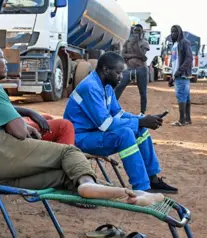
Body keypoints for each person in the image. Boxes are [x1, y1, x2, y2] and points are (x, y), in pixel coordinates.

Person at [0, 42, 165, 206]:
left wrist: (139, 121)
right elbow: (18, 132)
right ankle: (98, 186)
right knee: (68, 153)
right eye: (1, 58)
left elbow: (119, 114)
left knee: (63, 175)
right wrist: (26, 127)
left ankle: (128, 194)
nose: (5, 61)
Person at [63, 51, 178, 194]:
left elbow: (119, 114)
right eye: (118, 73)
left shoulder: (106, 86)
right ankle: (142, 187)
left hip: (93, 133)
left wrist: (142, 120)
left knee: (140, 131)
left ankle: (152, 179)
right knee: (126, 134)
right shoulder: (90, 87)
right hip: (79, 138)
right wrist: (141, 121)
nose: (121, 77)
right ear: (106, 70)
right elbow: (105, 124)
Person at [114, 24, 150, 115]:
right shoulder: (127, 42)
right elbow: (123, 56)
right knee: (119, 87)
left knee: (143, 92)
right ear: (132, 31)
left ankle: (142, 112)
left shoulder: (144, 43)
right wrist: (135, 56)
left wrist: (137, 43)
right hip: (129, 69)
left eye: (139, 31)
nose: (137, 33)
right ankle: (112, 108)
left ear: (142, 33)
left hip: (141, 69)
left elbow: (142, 56)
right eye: (135, 31)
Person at [168, 25, 193, 126]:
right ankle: (187, 119)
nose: (173, 34)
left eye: (175, 32)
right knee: (185, 97)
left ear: (180, 32)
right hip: (178, 75)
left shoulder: (184, 42)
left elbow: (189, 59)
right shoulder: (175, 44)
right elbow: (175, 62)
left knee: (181, 97)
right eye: (171, 32)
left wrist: (178, 72)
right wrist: (172, 76)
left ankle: (182, 120)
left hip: (182, 75)